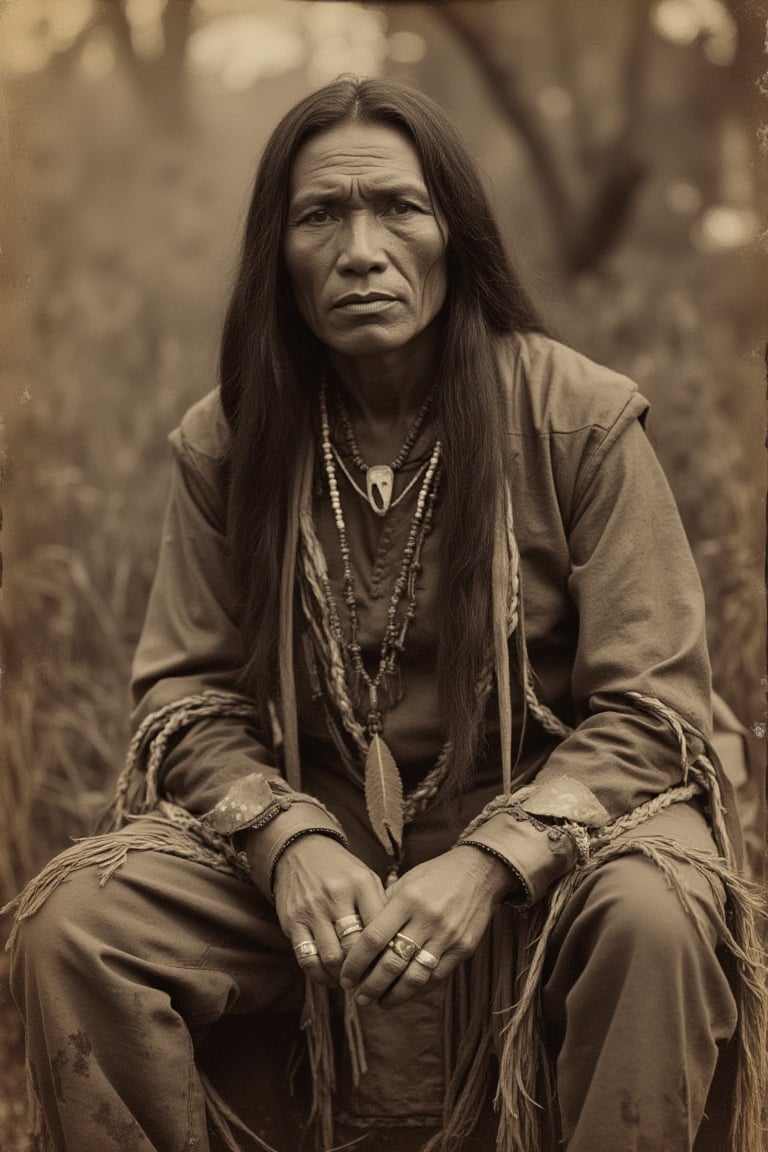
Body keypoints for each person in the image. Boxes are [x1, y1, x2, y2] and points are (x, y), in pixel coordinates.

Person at [6, 76, 765, 1152]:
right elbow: (187, 693)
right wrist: (287, 839)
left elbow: (655, 708)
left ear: (455, 231)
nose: (362, 248)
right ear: (280, 250)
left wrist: (492, 858)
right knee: (76, 927)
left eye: (399, 208)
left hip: (551, 839)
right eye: (321, 215)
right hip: (321, 842)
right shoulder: (229, 441)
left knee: (656, 915)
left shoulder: (576, 417)